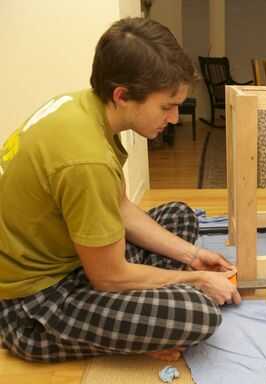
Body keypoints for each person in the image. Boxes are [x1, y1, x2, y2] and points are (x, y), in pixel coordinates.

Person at [0, 17, 241, 363]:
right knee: (199, 314)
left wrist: (192, 256)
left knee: (178, 215)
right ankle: (107, 336)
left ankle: (139, 318)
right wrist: (196, 281)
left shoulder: (82, 106)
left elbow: (120, 207)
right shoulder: (88, 161)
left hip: (76, 257)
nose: (174, 118)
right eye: (166, 106)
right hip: (33, 303)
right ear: (123, 95)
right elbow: (108, 276)